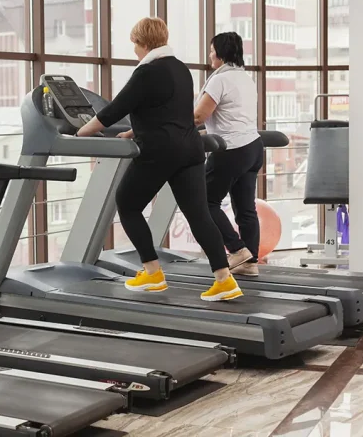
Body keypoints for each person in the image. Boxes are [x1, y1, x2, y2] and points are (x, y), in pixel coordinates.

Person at [76, 17, 243, 302]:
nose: (134, 52)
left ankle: (152, 273)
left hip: (159, 152)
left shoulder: (147, 71)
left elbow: (113, 110)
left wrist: (81, 131)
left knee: (127, 204)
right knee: (199, 214)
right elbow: (169, 111)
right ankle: (224, 279)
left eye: (135, 45)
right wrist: (133, 131)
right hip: (190, 150)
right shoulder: (180, 68)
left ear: (142, 43)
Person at [194, 32, 263, 276]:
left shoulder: (219, 80)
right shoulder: (245, 77)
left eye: (212, 49)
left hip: (231, 150)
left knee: (202, 202)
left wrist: (174, 128)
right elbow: (229, 117)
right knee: (246, 209)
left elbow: (198, 116)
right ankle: (250, 262)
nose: (210, 54)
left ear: (220, 52)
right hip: (253, 147)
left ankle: (236, 250)